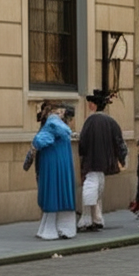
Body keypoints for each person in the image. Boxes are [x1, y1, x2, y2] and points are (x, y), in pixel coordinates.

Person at [76, 90, 127, 231]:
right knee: (98, 188)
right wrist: (122, 159)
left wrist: (82, 156)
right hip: (106, 161)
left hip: (91, 161)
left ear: (93, 105)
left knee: (90, 187)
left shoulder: (89, 122)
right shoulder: (111, 122)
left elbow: (83, 143)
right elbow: (120, 142)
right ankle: (97, 218)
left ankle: (86, 219)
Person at [30, 101, 78, 240]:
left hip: (52, 162)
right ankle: (64, 229)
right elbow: (43, 139)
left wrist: (34, 146)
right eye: (60, 112)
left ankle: (50, 230)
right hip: (61, 163)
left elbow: (39, 141)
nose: (62, 114)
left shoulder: (51, 123)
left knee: (53, 193)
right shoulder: (57, 124)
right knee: (62, 193)